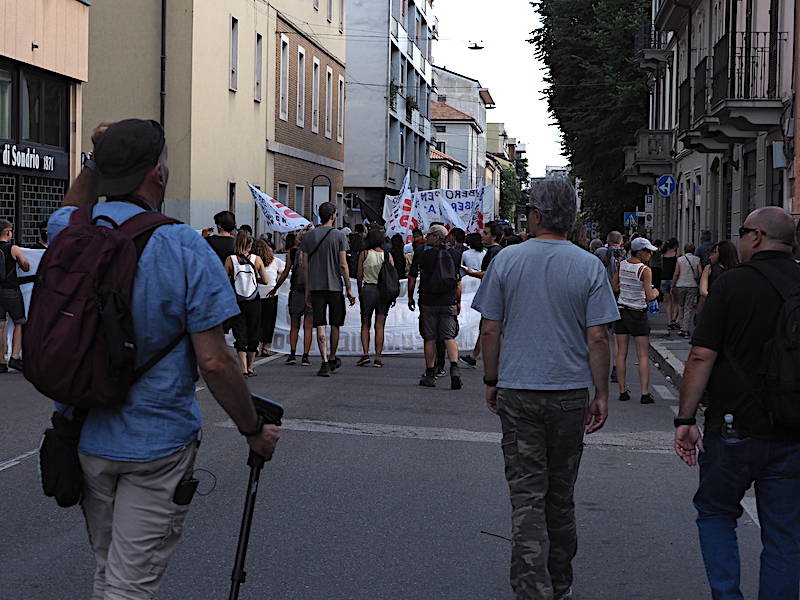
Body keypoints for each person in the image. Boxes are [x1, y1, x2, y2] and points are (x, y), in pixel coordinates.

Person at [47, 119, 279, 599]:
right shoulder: (183, 245)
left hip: (85, 432)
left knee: (108, 568)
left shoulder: (70, 230)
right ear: (158, 173)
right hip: (156, 442)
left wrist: (97, 155)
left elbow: (72, 204)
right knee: (130, 585)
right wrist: (252, 429)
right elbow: (215, 363)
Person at [473, 178, 618, 600]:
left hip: (518, 390)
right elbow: (598, 338)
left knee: (527, 494)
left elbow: (490, 328)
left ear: (535, 215)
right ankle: (559, 581)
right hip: (570, 393)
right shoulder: (589, 265)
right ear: (571, 219)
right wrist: (602, 393)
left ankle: (531, 587)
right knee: (561, 494)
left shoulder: (507, 260)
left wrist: (491, 379)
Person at [674, 206, 800, 600]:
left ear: (758, 236)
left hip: (733, 426)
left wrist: (685, 417)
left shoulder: (731, 285)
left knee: (715, 513)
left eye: (743, 232)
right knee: (785, 532)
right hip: (793, 427)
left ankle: (727, 595)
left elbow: (701, 356)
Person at [301, 202, 355, 377]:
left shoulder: (309, 236)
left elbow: (304, 266)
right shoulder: (340, 236)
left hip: (316, 286)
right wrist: (349, 288)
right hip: (334, 287)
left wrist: (308, 289)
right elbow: (343, 265)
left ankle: (323, 360)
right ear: (333, 216)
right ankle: (332, 356)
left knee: (320, 324)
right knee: (335, 323)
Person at [407, 224, 463, 390]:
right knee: (449, 336)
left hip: (428, 300)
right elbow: (458, 282)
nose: (427, 238)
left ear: (437, 237)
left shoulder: (424, 254)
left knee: (429, 337)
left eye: (430, 235)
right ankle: (454, 368)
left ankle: (430, 373)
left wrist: (410, 296)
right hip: (448, 300)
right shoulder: (454, 255)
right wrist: (457, 300)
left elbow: (412, 277)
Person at [611, 238, 660, 404]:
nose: (651, 254)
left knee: (621, 353)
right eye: (648, 251)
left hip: (621, 311)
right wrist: (657, 292)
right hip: (638, 313)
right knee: (642, 354)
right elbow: (649, 295)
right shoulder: (644, 270)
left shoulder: (621, 264)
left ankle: (622, 391)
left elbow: (615, 287)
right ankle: (645, 393)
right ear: (640, 252)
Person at [225, 231, 270, 377]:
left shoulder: (230, 259)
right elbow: (266, 280)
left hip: (237, 301)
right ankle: (250, 367)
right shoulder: (256, 260)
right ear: (250, 244)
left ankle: (242, 367)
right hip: (254, 301)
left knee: (240, 333)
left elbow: (224, 280)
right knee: (253, 332)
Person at [272, 231, 313, 366]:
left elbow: (285, 272)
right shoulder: (315, 252)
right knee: (308, 326)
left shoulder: (293, 252)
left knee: (294, 325)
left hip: (296, 291)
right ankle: (306, 356)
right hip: (311, 291)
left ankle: (293, 353)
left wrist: (276, 288)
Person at [356, 228, 395, 368]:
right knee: (380, 325)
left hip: (368, 290)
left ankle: (365, 354)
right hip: (383, 292)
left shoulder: (364, 254)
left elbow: (359, 274)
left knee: (365, 323)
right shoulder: (387, 255)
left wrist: (360, 289)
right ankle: (378, 357)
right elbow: (392, 276)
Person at [595, 231, 627, 383]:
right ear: (621, 242)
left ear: (607, 240)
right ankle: (615, 367)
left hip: (601, 296)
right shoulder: (626, 255)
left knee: (599, 334)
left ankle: (597, 367)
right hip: (620, 297)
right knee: (616, 335)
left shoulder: (600, 252)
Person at [0, 219, 30, 373]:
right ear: (7, 232)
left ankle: (0, 361)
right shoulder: (13, 248)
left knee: (0, 324)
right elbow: (25, 266)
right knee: (19, 322)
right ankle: (15, 358)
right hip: (11, 290)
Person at [253, 239, 285, 357]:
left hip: (255, 294)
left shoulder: (252, 260)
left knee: (256, 322)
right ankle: (265, 347)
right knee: (269, 322)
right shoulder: (275, 261)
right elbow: (286, 271)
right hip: (271, 293)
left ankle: (254, 345)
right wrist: (277, 284)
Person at [672, 243, 702, 337]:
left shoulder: (680, 260)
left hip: (680, 284)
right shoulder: (697, 260)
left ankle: (681, 326)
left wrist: (673, 285)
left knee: (681, 306)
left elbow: (676, 273)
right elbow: (700, 272)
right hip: (692, 285)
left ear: (684, 250)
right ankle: (685, 328)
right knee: (688, 307)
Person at [660, 238, 679, 329]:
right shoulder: (676, 256)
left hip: (664, 280)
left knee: (668, 302)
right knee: (676, 302)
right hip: (673, 280)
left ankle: (668, 321)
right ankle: (673, 320)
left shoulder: (663, 255)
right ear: (675, 246)